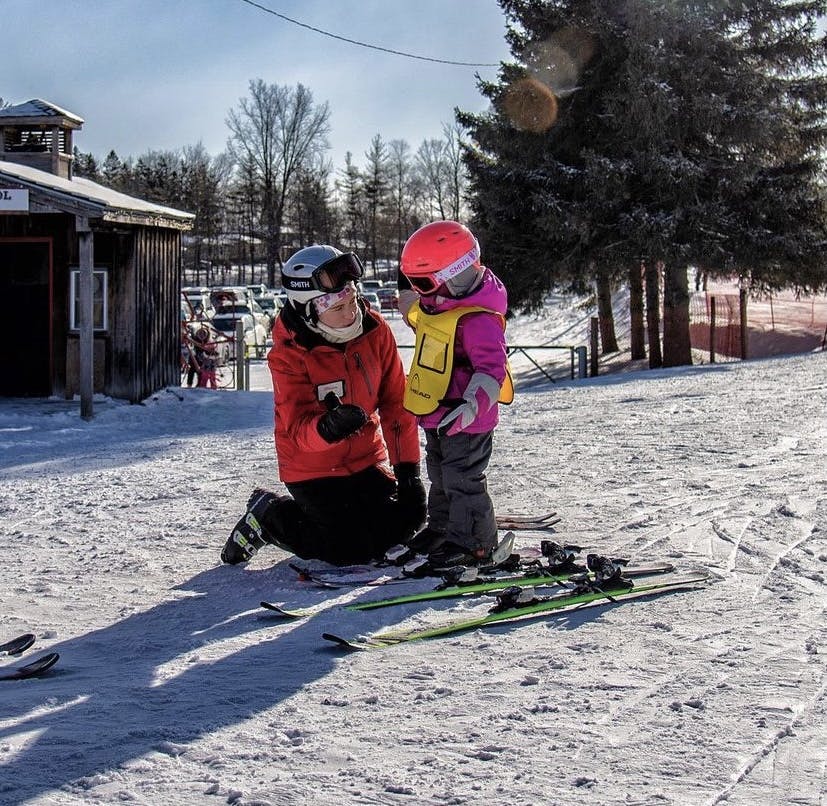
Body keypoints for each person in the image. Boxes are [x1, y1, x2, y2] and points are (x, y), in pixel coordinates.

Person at [220, 245, 426, 566]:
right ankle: (269, 517)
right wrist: (327, 428)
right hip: (311, 468)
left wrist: (408, 473)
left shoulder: (375, 331)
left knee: (406, 522)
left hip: (365, 459)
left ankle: (356, 517)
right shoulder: (288, 354)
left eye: (352, 300)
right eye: (339, 307)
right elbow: (297, 428)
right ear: (310, 310)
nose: (351, 313)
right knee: (347, 550)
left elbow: (396, 406)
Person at [399, 220, 512, 569]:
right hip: (436, 411)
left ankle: (475, 544)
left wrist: (470, 407)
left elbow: (492, 370)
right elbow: (412, 311)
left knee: (463, 480)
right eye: (417, 284)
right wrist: (406, 280)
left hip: (467, 417)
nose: (420, 293)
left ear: (457, 275)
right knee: (440, 475)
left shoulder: (479, 319)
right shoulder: (438, 305)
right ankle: (444, 527)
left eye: (425, 284)